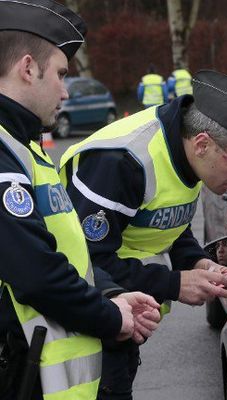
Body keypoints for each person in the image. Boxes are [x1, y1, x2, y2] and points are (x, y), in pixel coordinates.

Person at [59, 69, 227, 399]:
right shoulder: (122, 162)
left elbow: (170, 223)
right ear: (203, 144)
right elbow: (83, 260)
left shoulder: (187, 154)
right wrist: (174, 284)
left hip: (123, 320)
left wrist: (196, 262)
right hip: (85, 326)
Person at [0, 1, 161, 398]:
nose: (65, 90)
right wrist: (111, 317)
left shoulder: (24, 147)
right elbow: (36, 273)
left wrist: (109, 292)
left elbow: (69, 254)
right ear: (27, 68)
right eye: (60, 74)